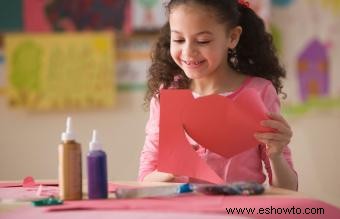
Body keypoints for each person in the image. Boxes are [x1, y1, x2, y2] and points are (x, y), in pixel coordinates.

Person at [138, 0, 298, 190]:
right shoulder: (168, 93)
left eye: (203, 41)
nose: (188, 51)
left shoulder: (258, 92)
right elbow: (144, 181)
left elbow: (288, 190)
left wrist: (276, 155)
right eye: (179, 40)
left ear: (232, 37)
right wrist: (173, 168)